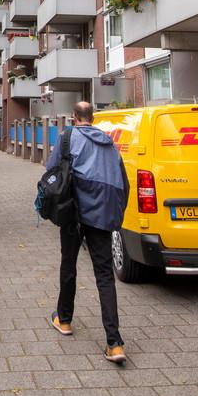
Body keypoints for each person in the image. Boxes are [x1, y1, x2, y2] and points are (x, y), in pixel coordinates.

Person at [46, 101, 130, 364]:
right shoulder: (108, 142)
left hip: (74, 212)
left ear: (74, 117)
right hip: (101, 214)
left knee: (68, 264)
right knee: (105, 274)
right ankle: (114, 344)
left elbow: (51, 169)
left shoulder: (67, 137)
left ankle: (65, 320)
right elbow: (122, 180)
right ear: (92, 118)